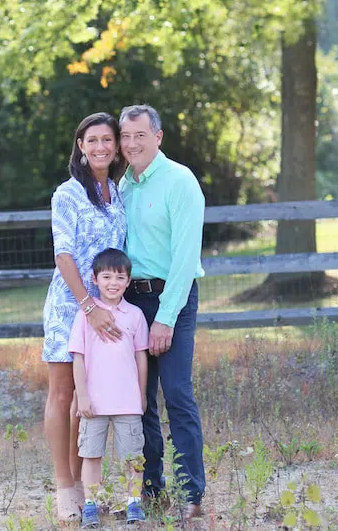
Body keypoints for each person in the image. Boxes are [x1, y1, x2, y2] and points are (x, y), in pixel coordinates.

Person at [118, 104, 206, 519]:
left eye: (140, 135)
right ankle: (152, 490)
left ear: (158, 137)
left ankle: (191, 494)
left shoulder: (180, 181)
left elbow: (185, 256)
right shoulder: (124, 185)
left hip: (172, 296)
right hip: (131, 301)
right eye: (126, 136)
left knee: (176, 393)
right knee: (140, 399)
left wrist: (165, 317)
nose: (132, 143)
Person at [42, 112, 127, 521]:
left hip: (108, 312)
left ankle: (82, 484)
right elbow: (64, 255)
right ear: (80, 145)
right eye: (92, 140)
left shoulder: (117, 190)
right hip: (71, 306)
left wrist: (108, 307)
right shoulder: (68, 194)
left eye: (107, 140)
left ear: (116, 145)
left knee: (87, 399)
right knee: (63, 393)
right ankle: (63, 487)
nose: (100, 147)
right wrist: (88, 307)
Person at [69, 248, 149, 527]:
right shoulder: (86, 315)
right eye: (106, 276)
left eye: (120, 277)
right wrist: (83, 396)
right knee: (91, 455)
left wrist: (141, 395)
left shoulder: (135, 315)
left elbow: (141, 357)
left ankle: (134, 503)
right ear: (94, 279)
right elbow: (77, 359)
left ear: (128, 281)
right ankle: (91, 505)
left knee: (133, 457)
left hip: (127, 400)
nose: (113, 283)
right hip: (94, 403)